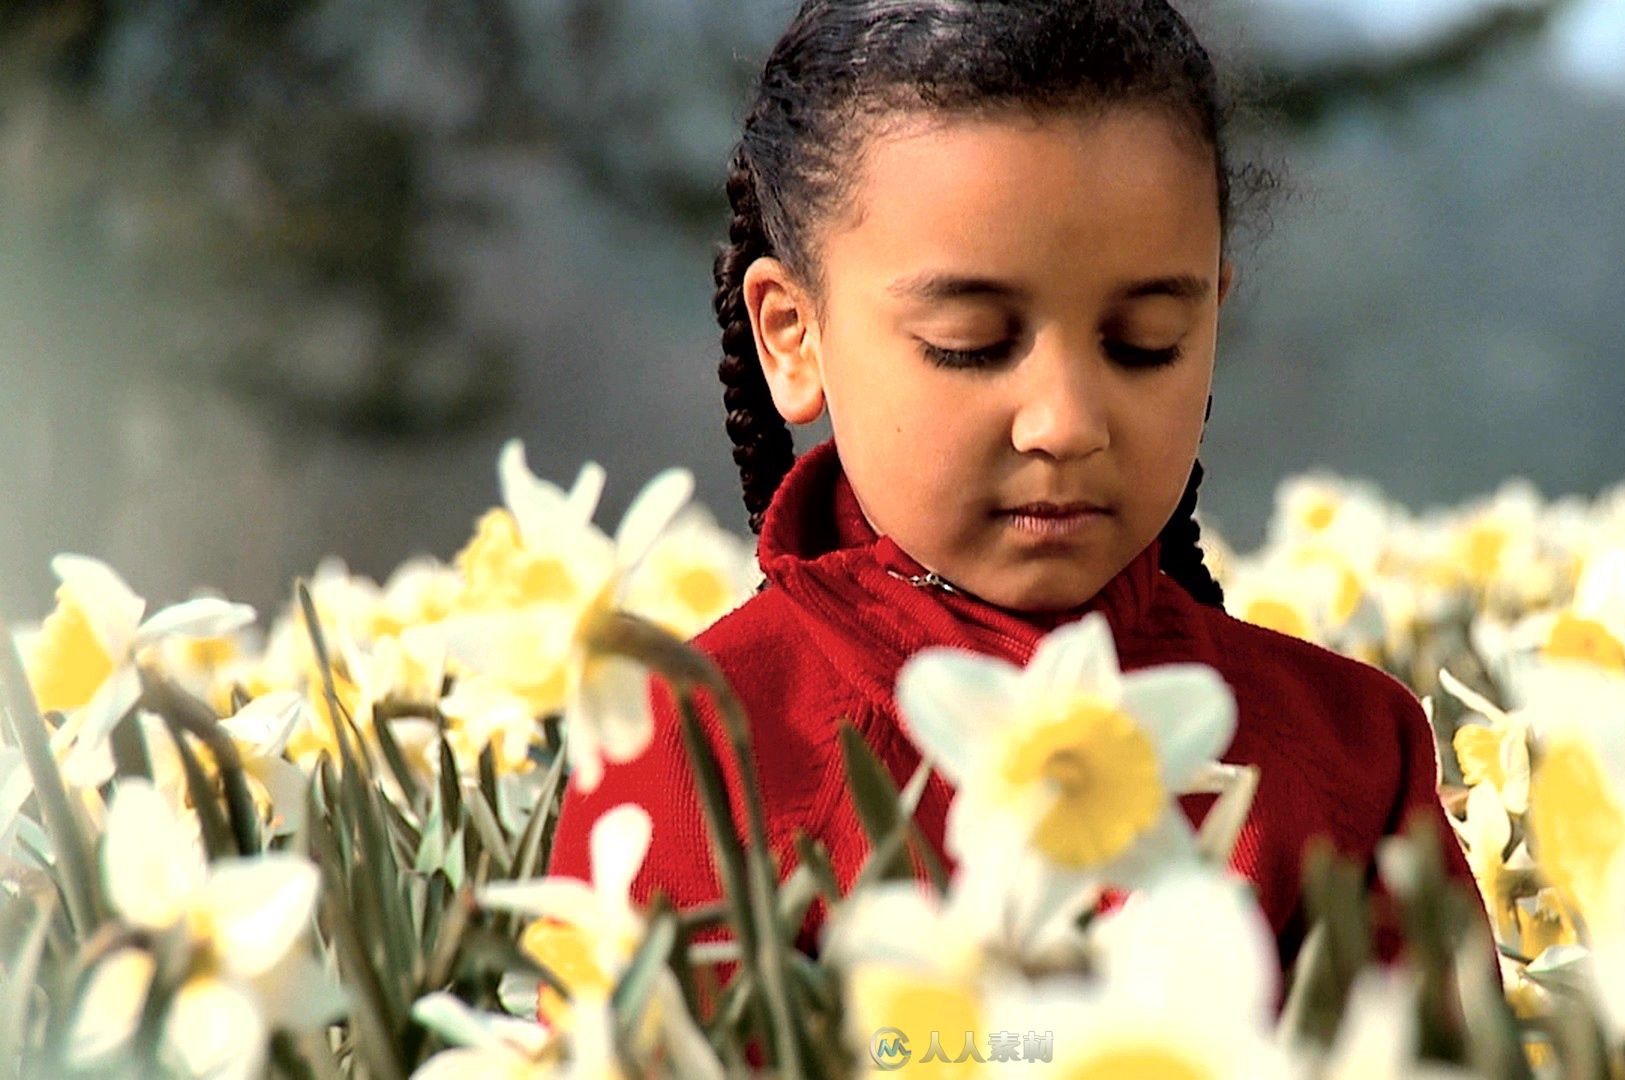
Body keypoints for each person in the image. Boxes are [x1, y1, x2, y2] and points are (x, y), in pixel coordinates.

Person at [549, 0, 1474, 978]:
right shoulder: (696, 761)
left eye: (1145, 345)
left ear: (1213, 316)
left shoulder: (1353, 758)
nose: (1066, 423)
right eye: (972, 345)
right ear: (792, 333)